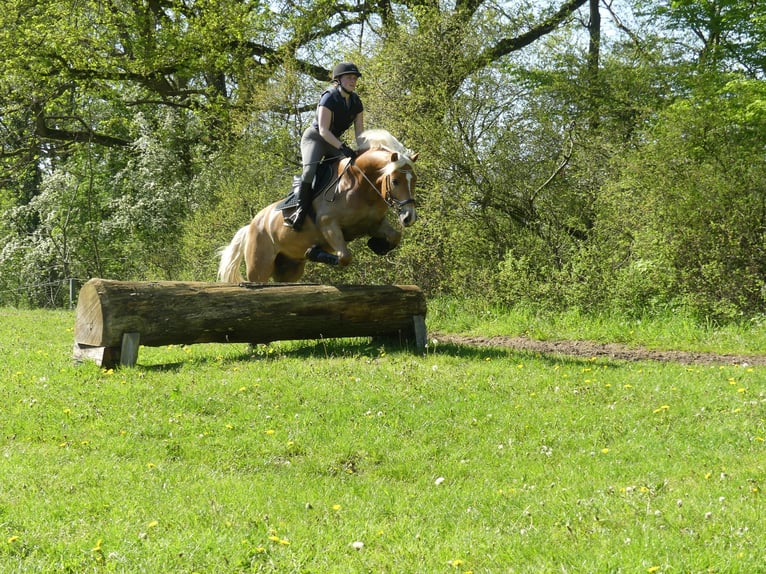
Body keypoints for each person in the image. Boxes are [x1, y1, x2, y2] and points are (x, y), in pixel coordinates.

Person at [284, 62, 365, 230]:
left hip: (333, 141)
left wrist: (365, 150)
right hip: (315, 139)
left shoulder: (356, 102)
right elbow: (323, 130)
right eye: (349, 77)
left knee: (351, 167)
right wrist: (343, 147)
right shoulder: (329, 97)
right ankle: (299, 211)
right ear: (339, 79)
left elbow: (360, 134)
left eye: (355, 78)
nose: (353, 81)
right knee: (309, 172)